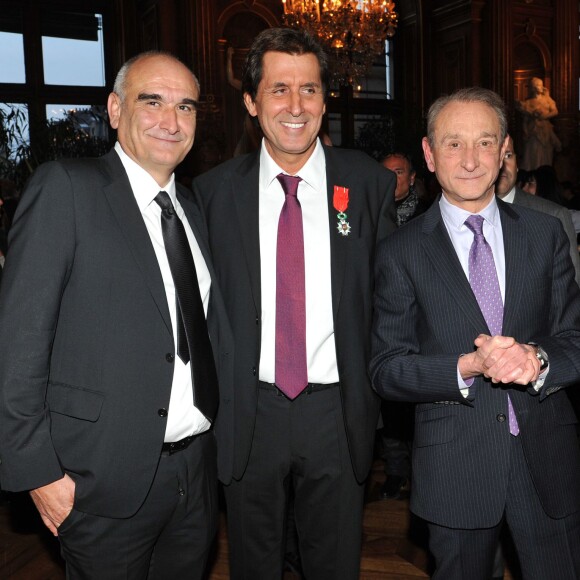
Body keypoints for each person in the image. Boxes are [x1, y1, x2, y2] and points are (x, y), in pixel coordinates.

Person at [0, 51, 232, 579]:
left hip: (194, 478)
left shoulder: (192, 208)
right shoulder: (67, 189)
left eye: (186, 107)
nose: (171, 121)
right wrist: (41, 476)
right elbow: (16, 346)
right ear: (113, 108)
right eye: (153, 101)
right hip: (97, 482)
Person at [193, 27, 396, 580]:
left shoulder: (368, 184)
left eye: (308, 90)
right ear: (251, 101)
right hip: (246, 412)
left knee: (334, 565)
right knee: (254, 565)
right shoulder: (211, 195)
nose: (295, 105)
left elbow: (387, 299)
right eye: (279, 89)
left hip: (337, 413)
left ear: (325, 100)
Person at [371, 87, 580, 580]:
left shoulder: (543, 232)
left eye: (484, 143)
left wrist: (537, 359)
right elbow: (386, 368)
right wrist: (466, 366)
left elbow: (574, 337)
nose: (470, 160)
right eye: (453, 144)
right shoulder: (399, 252)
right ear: (428, 152)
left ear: (505, 149)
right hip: (456, 466)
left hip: (547, 458)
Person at [377, 151, 427, 500]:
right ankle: (396, 472)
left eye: (399, 172)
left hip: (422, 324)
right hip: (382, 320)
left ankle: (421, 474)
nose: (392, 179)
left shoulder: (430, 216)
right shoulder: (368, 214)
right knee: (389, 404)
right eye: (385, 173)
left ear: (412, 178)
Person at [496, 135, 580, 287]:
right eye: (494, 155)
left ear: (517, 165)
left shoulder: (553, 215)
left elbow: (571, 287)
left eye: (508, 155)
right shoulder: (466, 214)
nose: (502, 164)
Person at [516, 77, 562, 170]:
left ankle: (544, 173)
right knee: (532, 152)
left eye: (541, 85)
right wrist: (525, 131)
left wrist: (544, 116)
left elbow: (555, 111)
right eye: (538, 85)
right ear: (533, 88)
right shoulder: (528, 102)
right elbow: (525, 119)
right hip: (533, 130)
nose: (540, 87)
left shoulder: (547, 100)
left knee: (546, 153)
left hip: (545, 130)